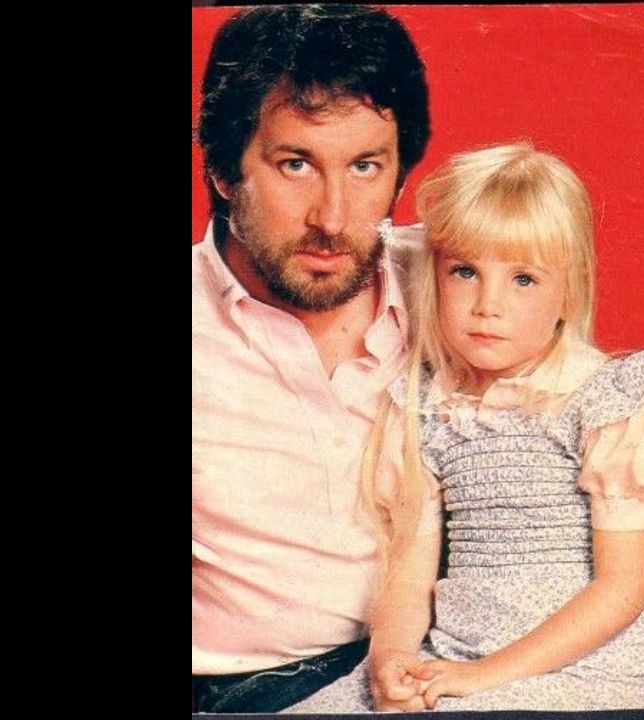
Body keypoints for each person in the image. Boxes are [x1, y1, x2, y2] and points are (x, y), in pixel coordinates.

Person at [288, 143, 644, 713]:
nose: (487, 304)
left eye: (524, 279)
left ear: (569, 289)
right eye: (465, 272)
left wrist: (481, 677)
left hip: (578, 667)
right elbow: (410, 572)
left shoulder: (603, 402)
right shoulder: (429, 407)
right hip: (457, 652)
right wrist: (392, 657)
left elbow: (620, 592)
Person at [191, 4, 431, 713]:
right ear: (224, 170)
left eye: (365, 167)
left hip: (443, 664)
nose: (332, 217)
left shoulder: (459, 285)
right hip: (251, 692)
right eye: (295, 164)